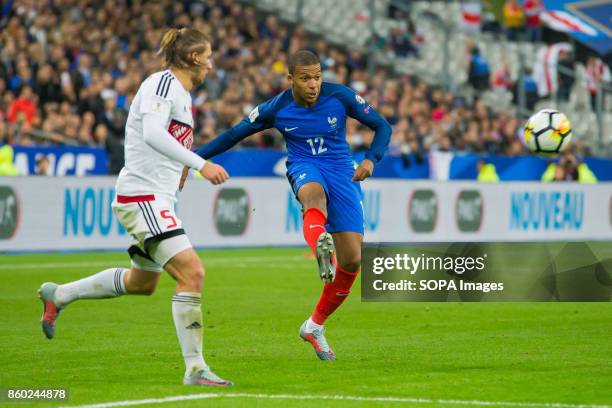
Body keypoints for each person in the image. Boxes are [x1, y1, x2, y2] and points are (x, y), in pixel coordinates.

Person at [37, 28, 232, 387]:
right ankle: (195, 368)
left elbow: (167, 141)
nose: (210, 63)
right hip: (142, 195)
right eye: (207, 55)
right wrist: (200, 163)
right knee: (193, 274)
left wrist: (184, 167)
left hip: (157, 197)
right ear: (193, 58)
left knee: (142, 283)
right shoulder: (163, 84)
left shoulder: (184, 96)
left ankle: (60, 294)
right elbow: (153, 134)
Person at [190, 50, 392, 360]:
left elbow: (382, 126)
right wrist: (192, 159)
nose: (313, 84)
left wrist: (371, 158)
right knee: (313, 196)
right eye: (306, 78)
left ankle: (314, 326)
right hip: (304, 164)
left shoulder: (341, 96)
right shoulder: (276, 108)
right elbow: (233, 135)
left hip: (342, 169)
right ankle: (320, 248)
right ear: (291, 79)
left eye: (317, 77)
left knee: (352, 260)